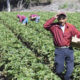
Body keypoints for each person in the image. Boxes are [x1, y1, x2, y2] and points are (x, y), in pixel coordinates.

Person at [43, 13, 80, 80]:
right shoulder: (54, 27)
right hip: (59, 50)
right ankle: (59, 75)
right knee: (59, 69)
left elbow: (78, 34)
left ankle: (67, 78)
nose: (61, 20)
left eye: (63, 18)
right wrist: (54, 17)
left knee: (70, 68)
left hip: (69, 49)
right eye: (60, 18)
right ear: (58, 19)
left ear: (66, 19)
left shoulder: (70, 26)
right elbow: (45, 25)